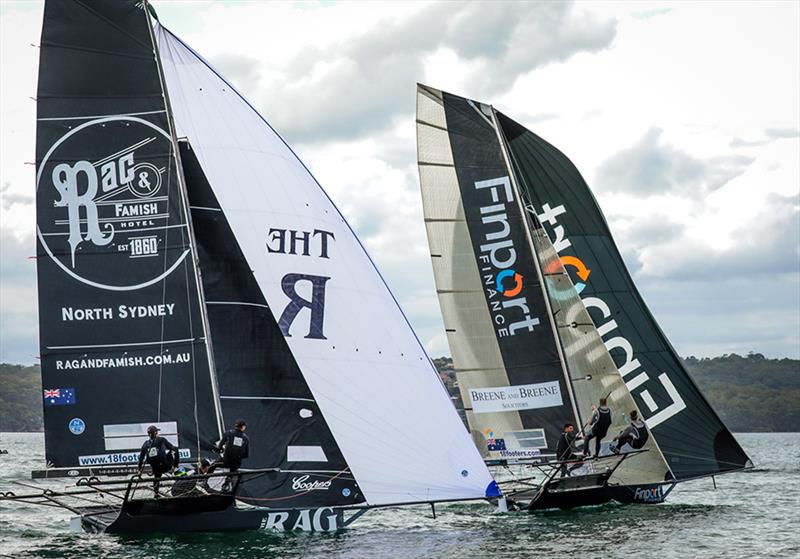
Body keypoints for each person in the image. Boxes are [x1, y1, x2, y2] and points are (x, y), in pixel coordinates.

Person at [137, 425, 180, 496]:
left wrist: (139, 470)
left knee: (156, 476)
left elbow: (141, 459)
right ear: (156, 433)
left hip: (156, 469)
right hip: (166, 466)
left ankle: (155, 493)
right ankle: (175, 468)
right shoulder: (161, 439)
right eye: (157, 432)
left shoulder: (145, 444)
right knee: (175, 449)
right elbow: (171, 447)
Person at [211, 419, 250, 491]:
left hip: (226, 462)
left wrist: (221, 450)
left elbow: (219, 448)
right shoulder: (246, 438)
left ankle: (204, 480)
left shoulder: (228, 433)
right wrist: (237, 455)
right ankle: (226, 484)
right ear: (243, 427)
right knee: (233, 469)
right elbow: (246, 454)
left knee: (213, 465)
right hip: (236, 464)